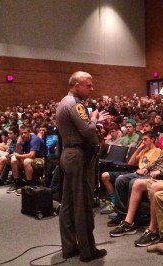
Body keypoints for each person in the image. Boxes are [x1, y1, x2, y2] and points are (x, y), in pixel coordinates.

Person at [56, 71, 108, 262]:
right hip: (79, 157)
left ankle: (69, 247)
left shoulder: (63, 102)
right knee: (83, 203)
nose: (91, 88)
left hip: (69, 154)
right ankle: (87, 250)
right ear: (77, 85)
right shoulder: (75, 104)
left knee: (68, 203)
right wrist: (94, 118)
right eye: (89, 85)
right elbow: (87, 130)